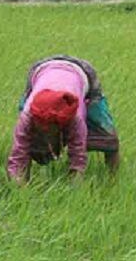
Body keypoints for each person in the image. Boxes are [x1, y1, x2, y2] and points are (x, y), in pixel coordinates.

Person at [7, 55, 120, 184]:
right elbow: (18, 154)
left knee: (108, 137)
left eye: (50, 129)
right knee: (28, 143)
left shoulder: (75, 118)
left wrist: (75, 185)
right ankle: (25, 179)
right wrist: (17, 185)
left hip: (83, 72)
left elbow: (78, 156)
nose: (46, 131)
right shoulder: (27, 116)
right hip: (40, 70)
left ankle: (113, 180)